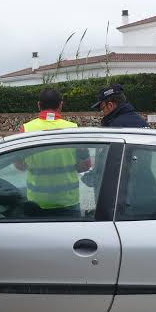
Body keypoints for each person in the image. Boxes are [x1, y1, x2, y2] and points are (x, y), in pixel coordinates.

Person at [15, 88, 91, 217]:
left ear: (39, 105)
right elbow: (86, 165)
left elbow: (19, 165)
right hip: (68, 201)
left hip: (37, 202)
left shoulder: (26, 129)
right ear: (61, 104)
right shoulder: (74, 129)